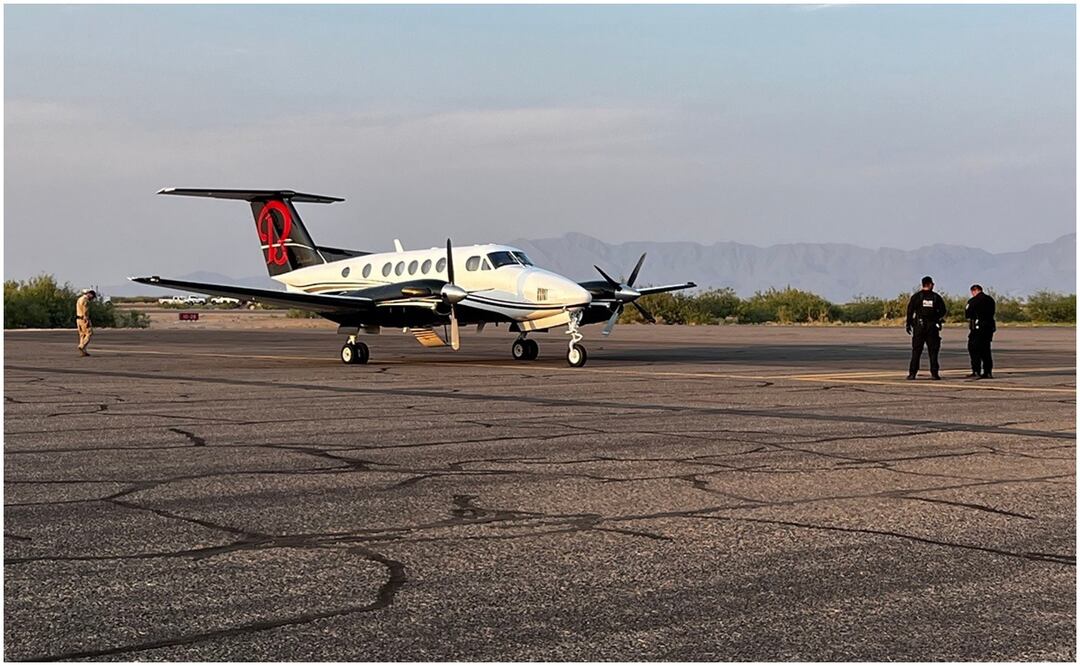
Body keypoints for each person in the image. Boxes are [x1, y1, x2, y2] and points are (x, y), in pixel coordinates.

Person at [906, 276, 947, 380]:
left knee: (916, 351)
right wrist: (936, 317)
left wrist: (909, 323)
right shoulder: (936, 297)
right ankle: (934, 373)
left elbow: (910, 311)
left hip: (919, 326)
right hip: (932, 326)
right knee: (933, 351)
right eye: (932, 284)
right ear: (929, 284)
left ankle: (912, 373)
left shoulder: (916, 297)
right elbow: (943, 311)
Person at [965, 284, 996, 379]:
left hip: (977, 328)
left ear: (974, 291)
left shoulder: (973, 301)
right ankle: (988, 371)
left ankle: (976, 370)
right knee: (986, 350)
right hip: (988, 328)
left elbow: (968, 314)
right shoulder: (990, 300)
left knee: (974, 349)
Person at [75, 289, 96, 356]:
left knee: (82, 335)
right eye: (92, 297)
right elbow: (85, 311)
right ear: (89, 294)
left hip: (78, 318)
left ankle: (83, 352)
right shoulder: (85, 300)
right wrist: (87, 320)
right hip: (83, 319)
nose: (92, 299)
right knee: (89, 333)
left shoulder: (79, 299)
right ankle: (82, 345)